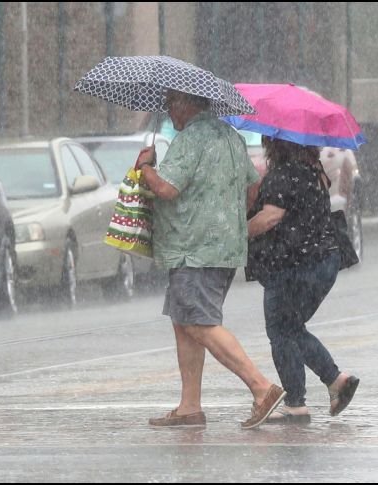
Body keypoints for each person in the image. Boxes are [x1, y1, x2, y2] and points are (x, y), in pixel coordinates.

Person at [135, 89, 286, 429]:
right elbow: (252, 187)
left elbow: (167, 189)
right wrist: (226, 216)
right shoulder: (229, 136)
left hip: (193, 247)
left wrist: (146, 167)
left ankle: (262, 389)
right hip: (223, 247)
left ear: (189, 103)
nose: (169, 109)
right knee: (184, 321)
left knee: (199, 323)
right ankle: (190, 407)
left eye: (172, 102)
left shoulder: (190, 139)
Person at [246, 136, 359, 424]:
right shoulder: (314, 170)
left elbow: (270, 217)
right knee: (291, 327)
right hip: (323, 261)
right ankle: (335, 381)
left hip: (295, 264)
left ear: (276, 144)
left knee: (282, 330)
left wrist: (239, 232)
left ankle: (297, 402)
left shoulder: (284, 175)